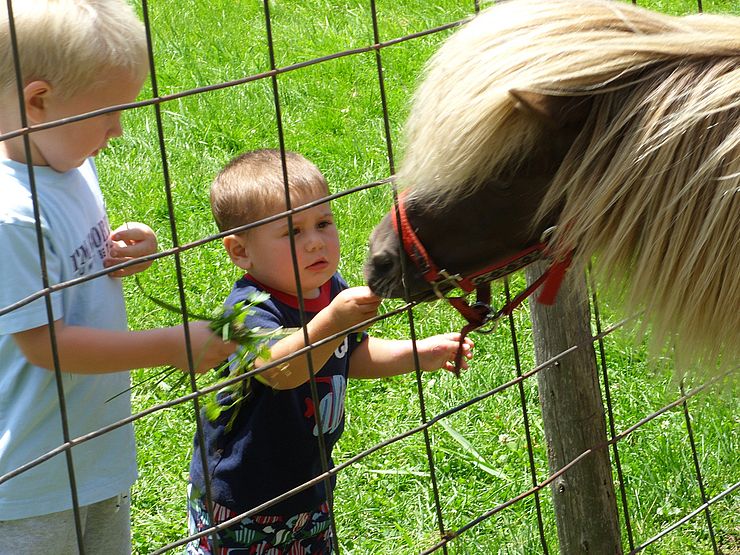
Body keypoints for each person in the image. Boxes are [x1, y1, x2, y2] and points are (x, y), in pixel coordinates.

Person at [0, 2, 237, 553]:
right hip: (32, 473)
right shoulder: (11, 215)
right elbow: (43, 344)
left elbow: (69, 269)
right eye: (108, 113)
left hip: (90, 445)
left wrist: (122, 256)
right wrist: (170, 345)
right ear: (40, 102)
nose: (119, 130)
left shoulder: (69, 161)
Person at [187, 149, 474, 554]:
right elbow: (280, 371)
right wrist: (332, 322)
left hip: (310, 485)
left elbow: (351, 356)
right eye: (293, 232)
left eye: (323, 223)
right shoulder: (248, 310)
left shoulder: (330, 290)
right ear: (240, 252)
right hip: (243, 498)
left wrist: (417, 353)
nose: (316, 242)